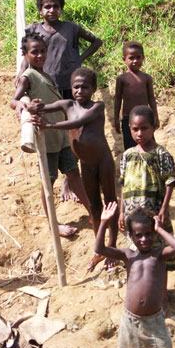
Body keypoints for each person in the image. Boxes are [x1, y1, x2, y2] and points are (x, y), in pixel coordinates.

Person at [31, 68, 118, 271]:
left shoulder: (97, 106)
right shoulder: (66, 104)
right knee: (95, 207)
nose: (80, 90)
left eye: (85, 87)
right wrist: (35, 106)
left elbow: (79, 122)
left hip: (103, 161)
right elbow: (46, 107)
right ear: (71, 88)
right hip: (86, 164)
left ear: (94, 89)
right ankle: (100, 249)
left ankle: (112, 247)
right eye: (76, 87)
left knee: (110, 203)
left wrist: (49, 126)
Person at [23, 0, 103, 202]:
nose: (51, 10)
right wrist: (22, 72)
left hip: (69, 87)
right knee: (54, 132)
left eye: (56, 6)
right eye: (47, 6)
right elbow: (26, 52)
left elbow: (96, 41)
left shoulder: (71, 28)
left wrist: (79, 59)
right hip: (47, 87)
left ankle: (69, 179)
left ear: (61, 8)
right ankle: (62, 176)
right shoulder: (34, 29)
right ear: (40, 9)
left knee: (74, 130)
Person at [11, 30, 92, 237]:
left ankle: (92, 212)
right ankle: (53, 224)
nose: (40, 56)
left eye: (43, 52)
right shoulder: (28, 77)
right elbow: (14, 100)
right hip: (46, 138)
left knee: (73, 173)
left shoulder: (45, 75)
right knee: (48, 181)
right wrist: (22, 105)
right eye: (34, 52)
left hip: (60, 135)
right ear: (25, 54)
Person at [95, 202, 175, 348]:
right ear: (131, 236)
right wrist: (103, 223)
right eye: (138, 235)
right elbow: (100, 249)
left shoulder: (159, 255)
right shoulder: (128, 255)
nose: (144, 239)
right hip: (132, 320)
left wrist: (159, 228)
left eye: (148, 234)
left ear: (154, 233)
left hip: (155, 321)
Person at [119, 105, 175, 274]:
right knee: (135, 251)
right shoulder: (127, 155)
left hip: (154, 213)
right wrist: (122, 212)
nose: (139, 134)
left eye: (144, 128)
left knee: (159, 253)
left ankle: (162, 294)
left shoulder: (161, 154)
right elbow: (124, 185)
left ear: (153, 127)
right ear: (129, 129)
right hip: (132, 215)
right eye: (135, 129)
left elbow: (170, 182)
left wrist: (164, 209)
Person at [113, 41, 159, 151]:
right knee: (130, 148)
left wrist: (155, 116)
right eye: (131, 58)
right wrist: (116, 118)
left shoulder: (146, 78)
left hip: (145, 118)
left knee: (149, 146)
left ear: (143, 58)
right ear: (124, 59)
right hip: (128, 119)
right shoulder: (121, 79)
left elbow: (151, 98)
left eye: (138, 57)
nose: (135, 61)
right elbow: (118, 99)